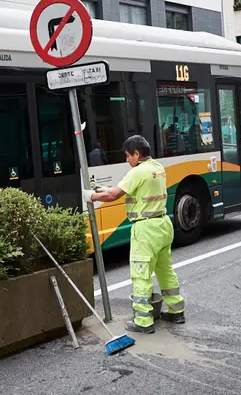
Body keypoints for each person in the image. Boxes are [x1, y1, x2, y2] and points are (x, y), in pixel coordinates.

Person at [83, 135, 185, 334]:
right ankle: (176, 310)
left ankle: (143, 321)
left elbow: (114, 196)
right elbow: (135, 191)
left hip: (145, 228)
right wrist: (106, 189)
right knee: (165, 270)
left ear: (137, 154)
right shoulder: (158, 168)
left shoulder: (138, 172)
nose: (127, 160)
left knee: (141, 274)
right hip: (163, 224)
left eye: (128, 156)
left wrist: (92, 196)